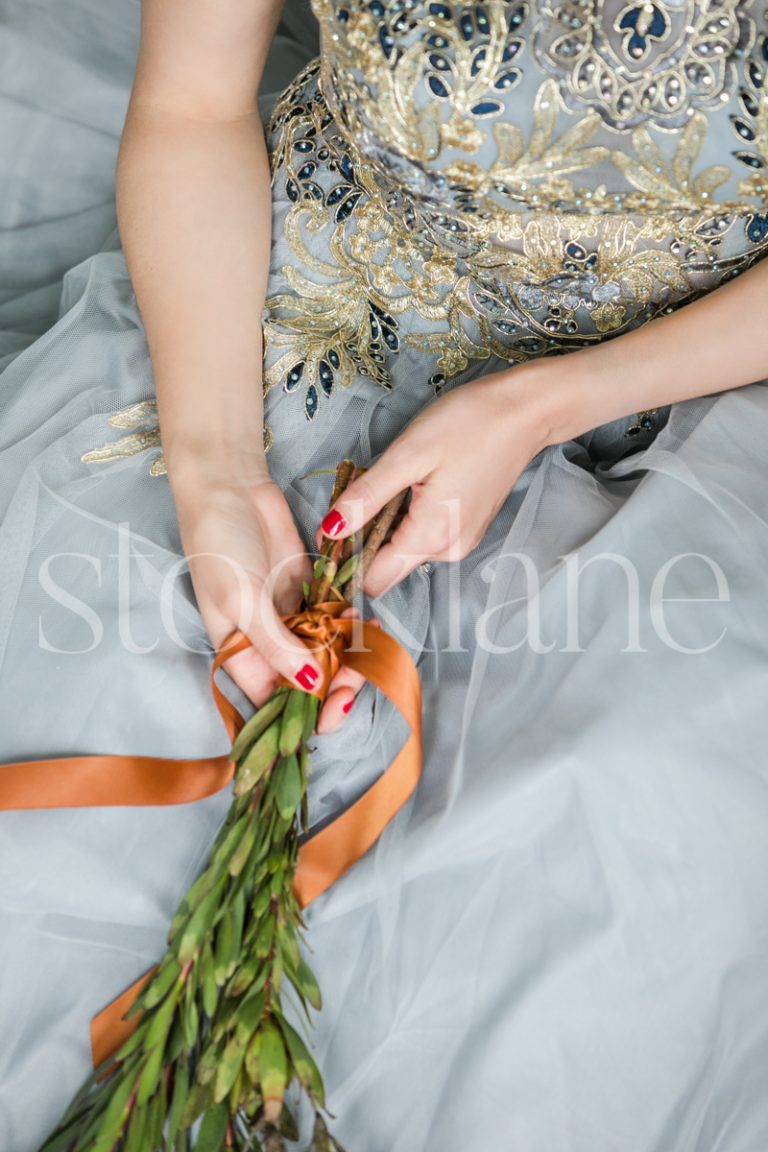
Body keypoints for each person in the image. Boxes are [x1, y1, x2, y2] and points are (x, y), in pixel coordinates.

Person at [1, 0, 768, 1148]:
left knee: (592, 920)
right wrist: (214, 464)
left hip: (669, 404)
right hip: (287, 316)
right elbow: (194, 104)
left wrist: (546, 400)